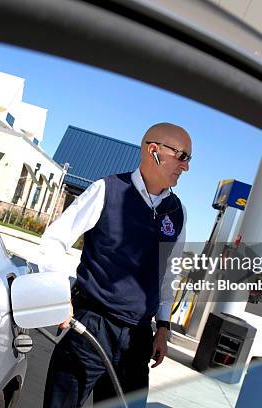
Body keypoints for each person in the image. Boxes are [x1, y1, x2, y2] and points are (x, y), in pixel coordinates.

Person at [40, 123, 191, 408]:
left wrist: (162, 327)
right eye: (182, 156)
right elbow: (53, 240)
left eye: (188, 159)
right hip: (91, 326)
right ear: (154, 151)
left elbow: (168, 273)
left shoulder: (177, 212)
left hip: (138, 338)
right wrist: (59, 298)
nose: (185, 167)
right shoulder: (107, 190)